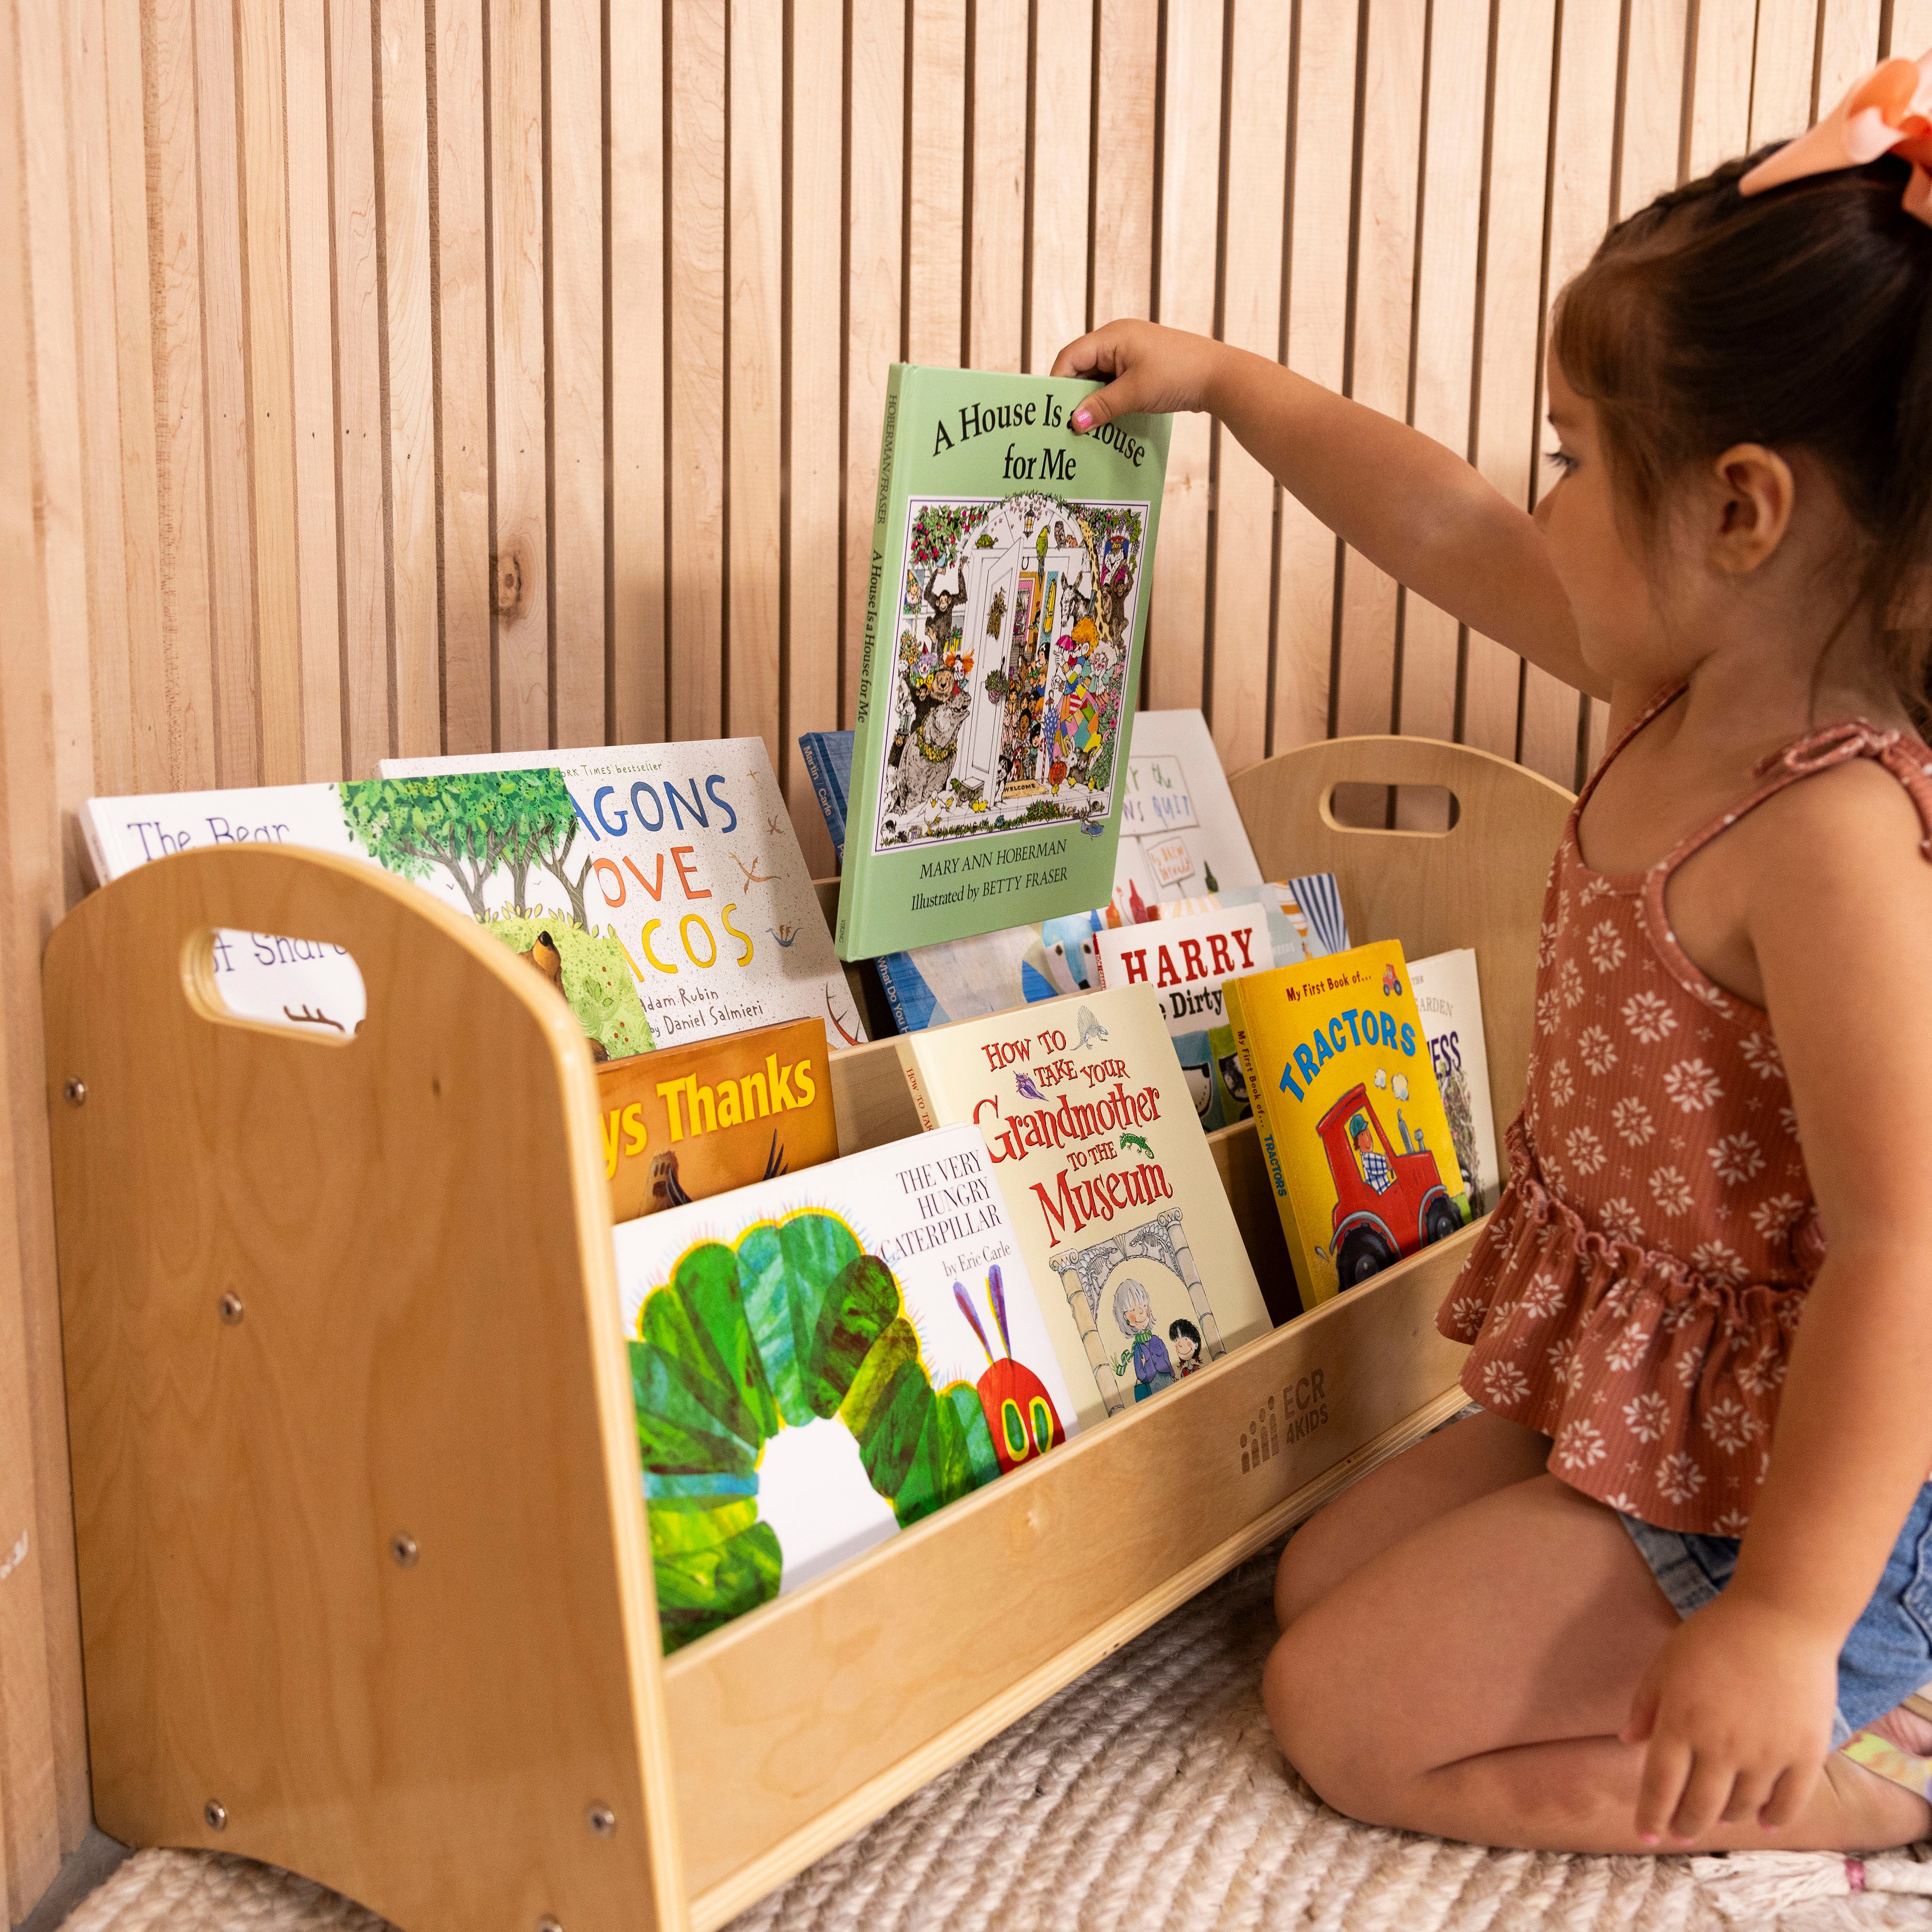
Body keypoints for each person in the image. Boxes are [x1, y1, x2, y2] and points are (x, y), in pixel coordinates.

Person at [1055, 57, 1932, 1859]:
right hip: (1650, 1375)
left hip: (1810, 1479)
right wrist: (1232, 388)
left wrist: (1780, 1617)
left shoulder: (1833, 835)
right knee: (1321, 1583)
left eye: (1578, 460)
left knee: (1351, 1716)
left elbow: (1906, 1250)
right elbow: (1441, 521)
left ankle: (1876, 1772)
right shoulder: (1679, 672)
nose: (1543, 500)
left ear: (1742, 511)